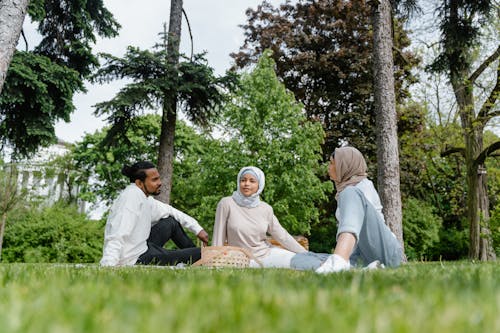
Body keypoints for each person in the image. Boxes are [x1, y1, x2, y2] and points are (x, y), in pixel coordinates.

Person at [100, 161, 209, 267]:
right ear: (139, 183)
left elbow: (170, 211)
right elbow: (117, 234)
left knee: (170, 222)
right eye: (154, 180)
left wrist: (198, 229)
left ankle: (195, 258)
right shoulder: (131, 197)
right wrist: (109, 265)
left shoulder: (145, 198)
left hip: (143, 247)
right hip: (135, 259)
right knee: (202, 253)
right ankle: (199, 259)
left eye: (159, 178)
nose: (160, 183)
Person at [315, 146, 403, 274]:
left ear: (343, 165)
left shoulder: (361, 188)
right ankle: (359, 267)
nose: (328, 167)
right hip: (362, 254)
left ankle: (339, 261)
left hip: (385, 251)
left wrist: (341, 256)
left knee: (350, 192)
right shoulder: (344, 192)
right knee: (313, 260)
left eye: (332, 163)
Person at [212, 166, 307, 268]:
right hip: (240, 259)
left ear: (259, 185)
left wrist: (305, 253)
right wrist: (214, 261)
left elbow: (282, 236)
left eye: (252, 181)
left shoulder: (266, 209)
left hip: (267, 254)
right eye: (243, 180)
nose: (246, 184)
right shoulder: (226, 203)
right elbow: (218, 238)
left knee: (304, 261)